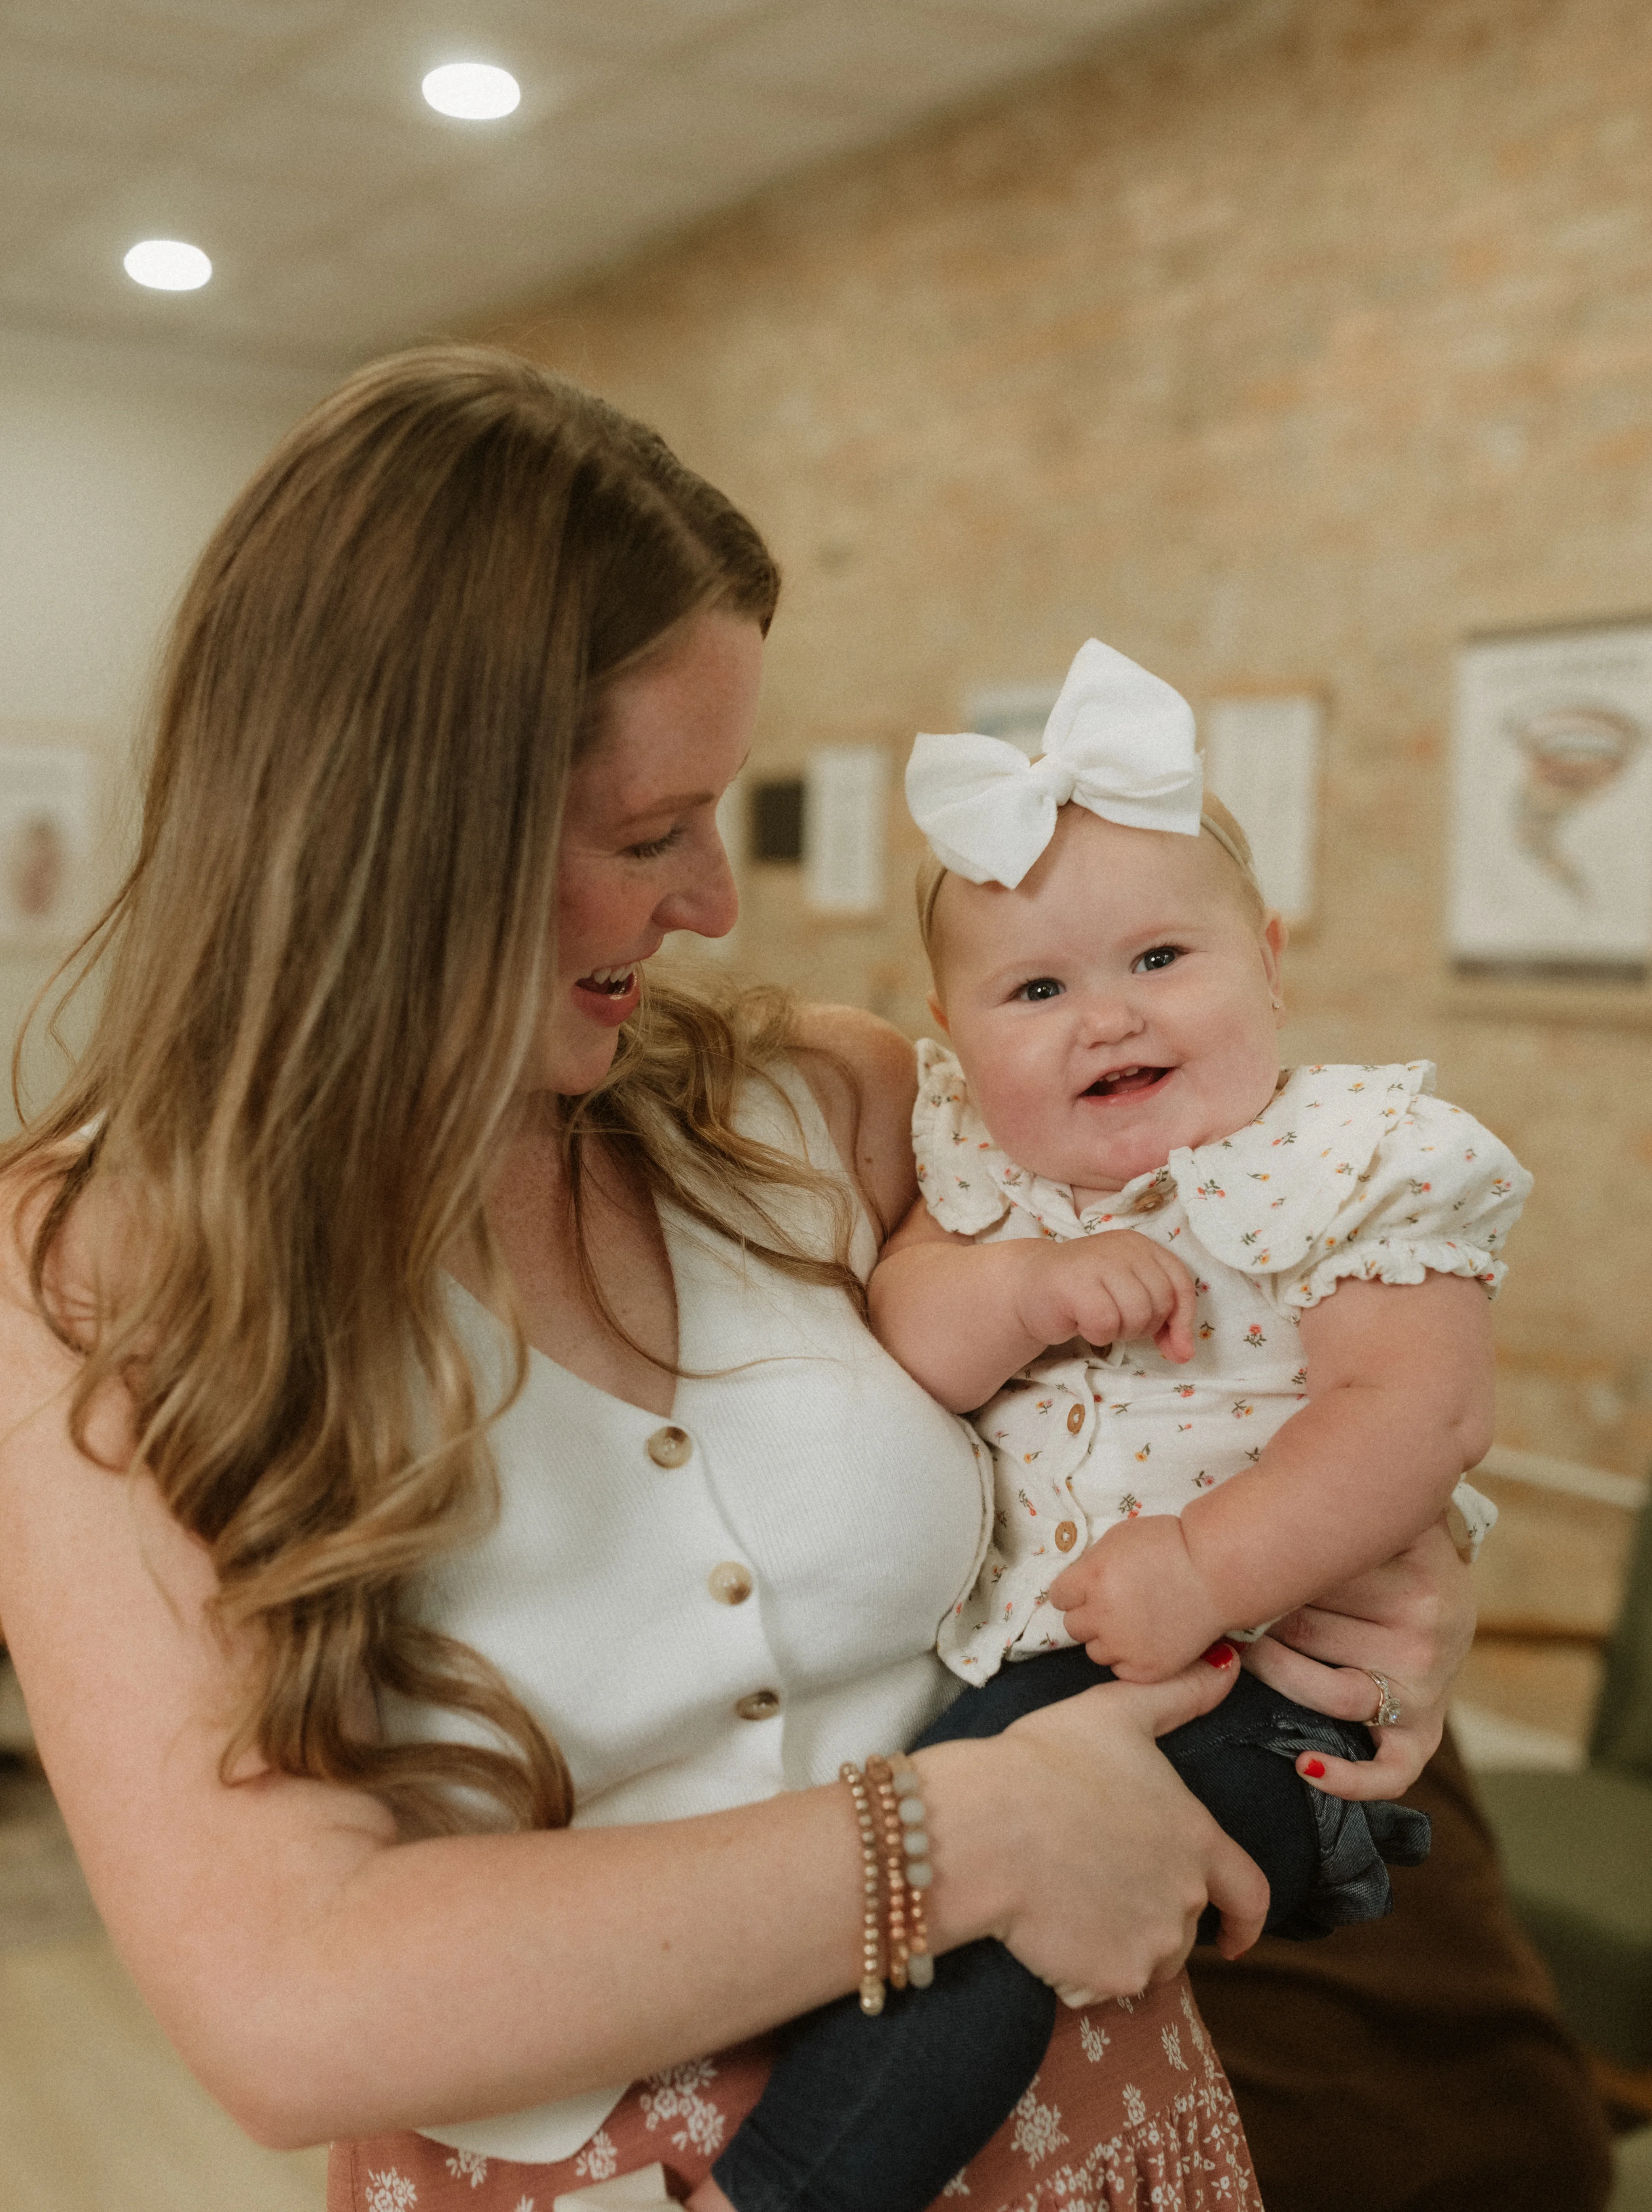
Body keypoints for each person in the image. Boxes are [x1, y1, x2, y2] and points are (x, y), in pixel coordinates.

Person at [0, 350, 1476, 2212]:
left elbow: (1228, 1354)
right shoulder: (92, 1272)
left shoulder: (830, 1102)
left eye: (718, 810)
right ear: (401, 842)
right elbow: (286, 2000)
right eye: (643, 836)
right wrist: (973, 1833)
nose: (712, 898)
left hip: (1096, 2118)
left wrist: (1396, 1585)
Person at [702, 639, 1524, 2212]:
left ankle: (792, 2187)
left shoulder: (1345, 1160)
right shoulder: (988, 1185)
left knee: (967, 1902)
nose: (1106, 1016)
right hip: (1073, 1670)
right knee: (936, 1849)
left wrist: (1207, 1567)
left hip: (1253, 1669)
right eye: (1036, 987)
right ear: (951, 1032)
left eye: (1160, 958)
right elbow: (911, 1347)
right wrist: (1025, 1288)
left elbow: (1417, 1410)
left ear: (1270, 960)